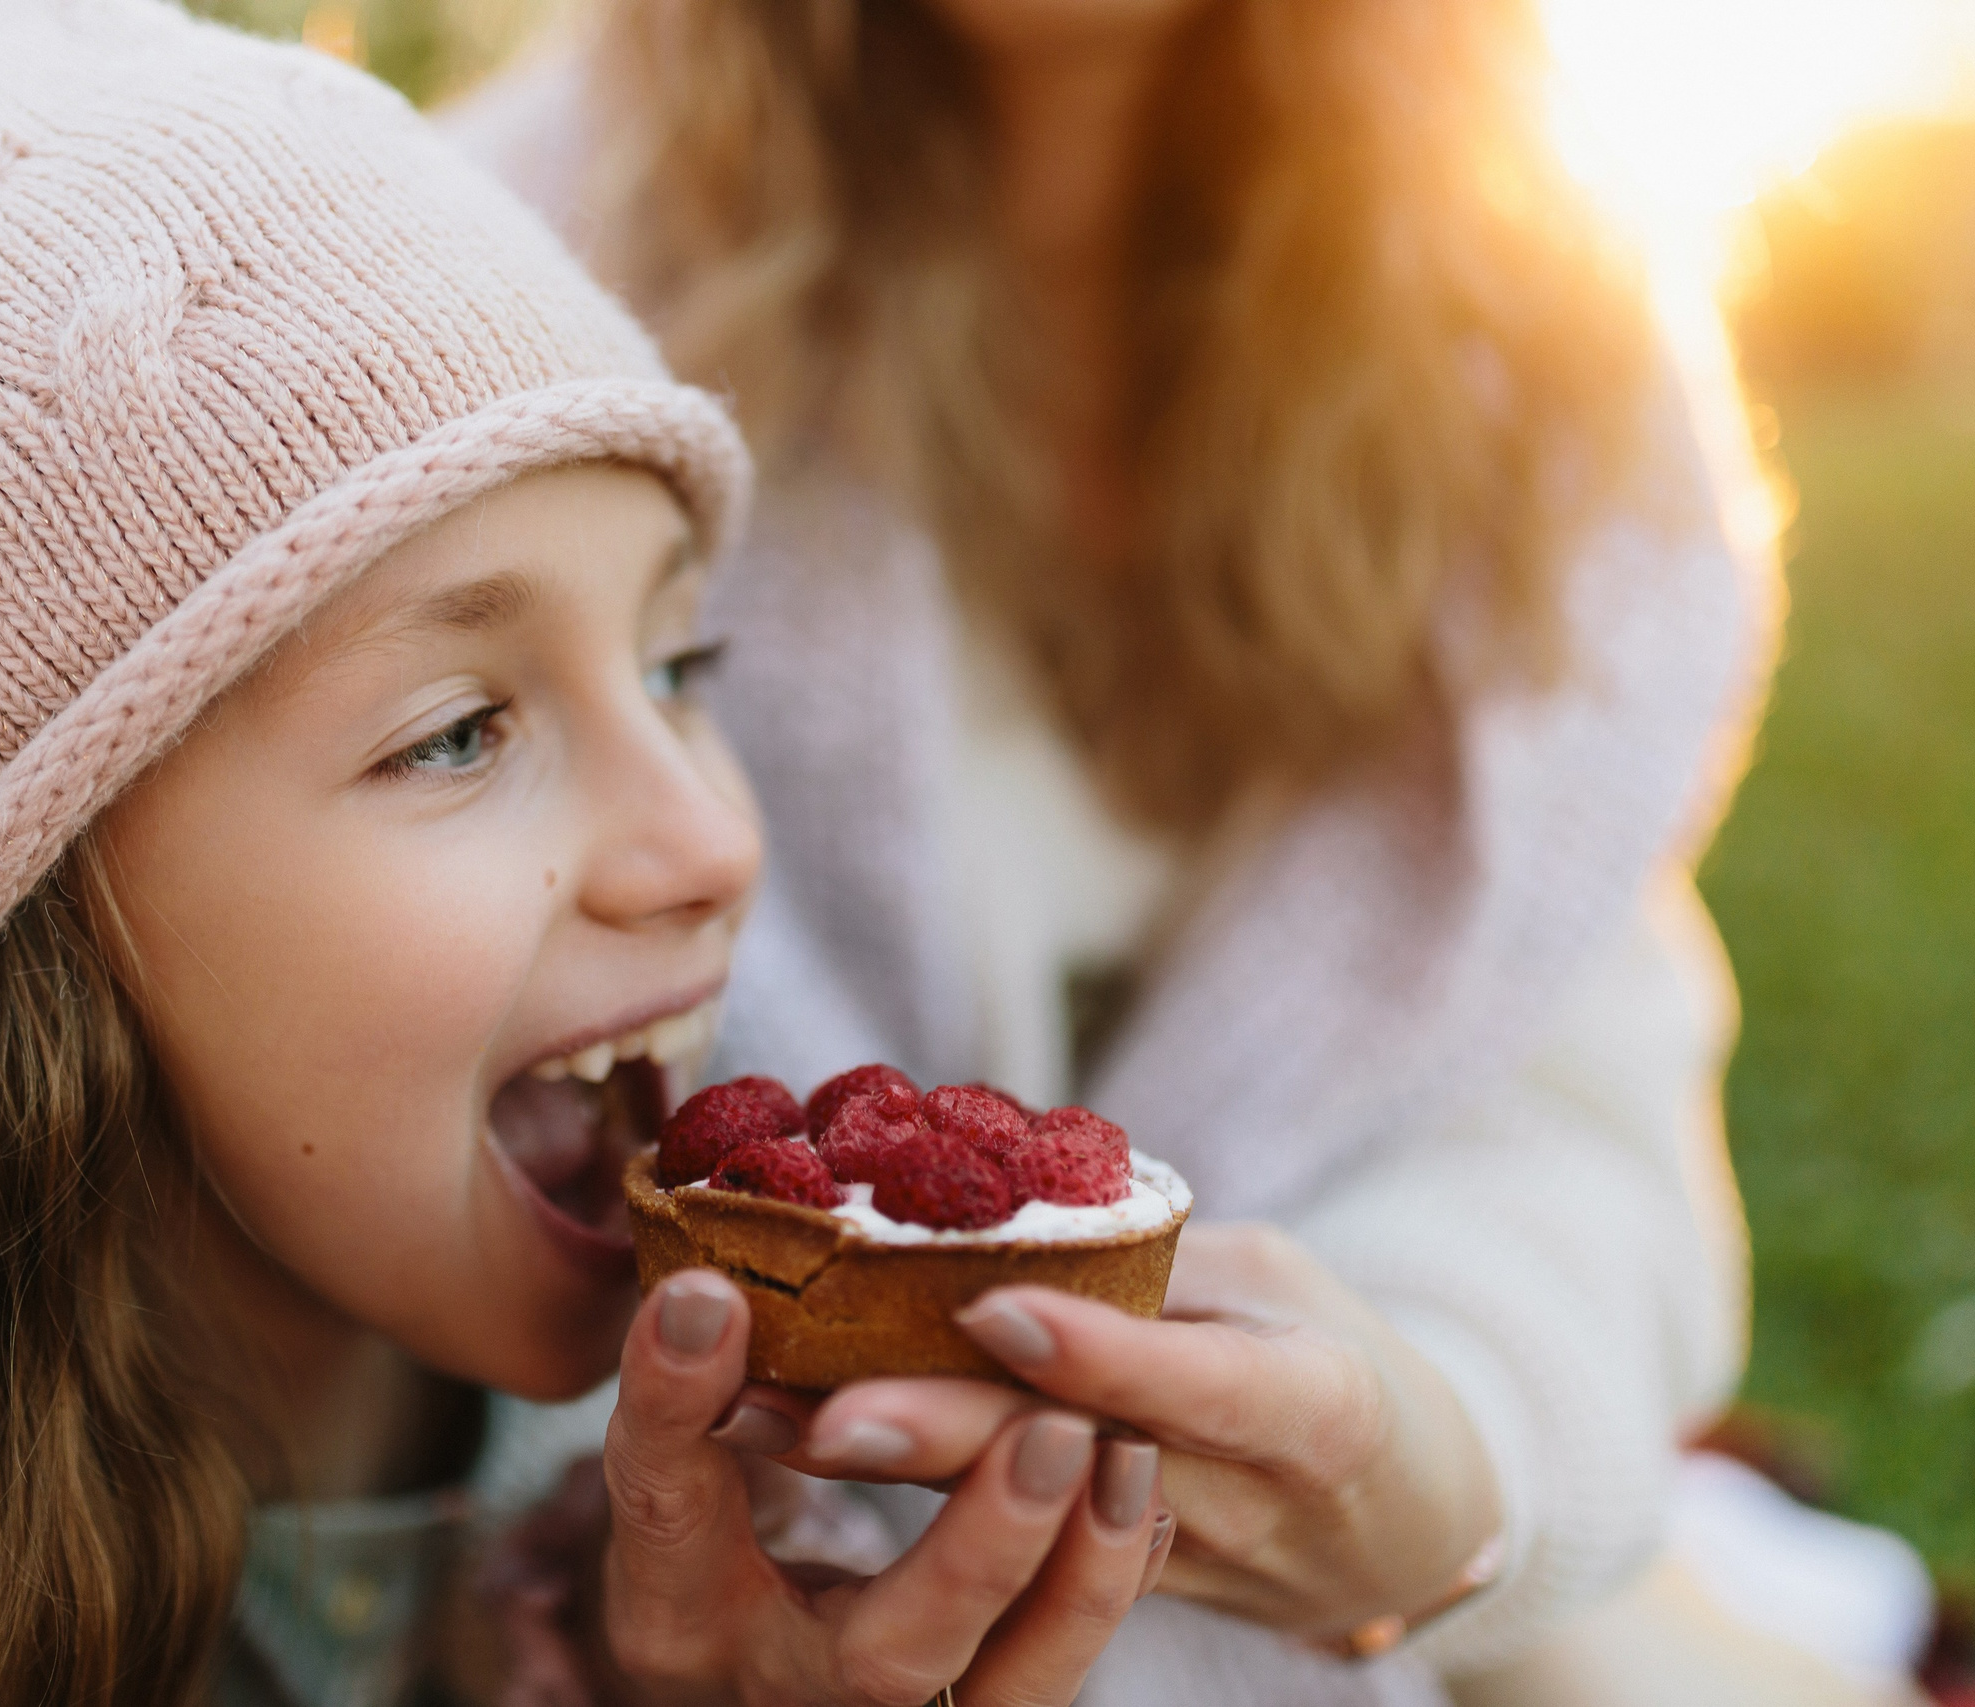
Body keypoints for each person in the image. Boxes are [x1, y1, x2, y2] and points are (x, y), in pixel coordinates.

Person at [0, 1, 1175, 1702]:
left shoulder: (712, 1513)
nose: (711, 838)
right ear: (17, 919)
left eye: (676, 667)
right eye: (457, 733)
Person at [448, 0, 1784, 1700]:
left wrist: (1437, 1455)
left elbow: (1551, 1076)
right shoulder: (491, 289)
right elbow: (407, 1100)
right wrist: (600, 1516)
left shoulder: (1559, 359)